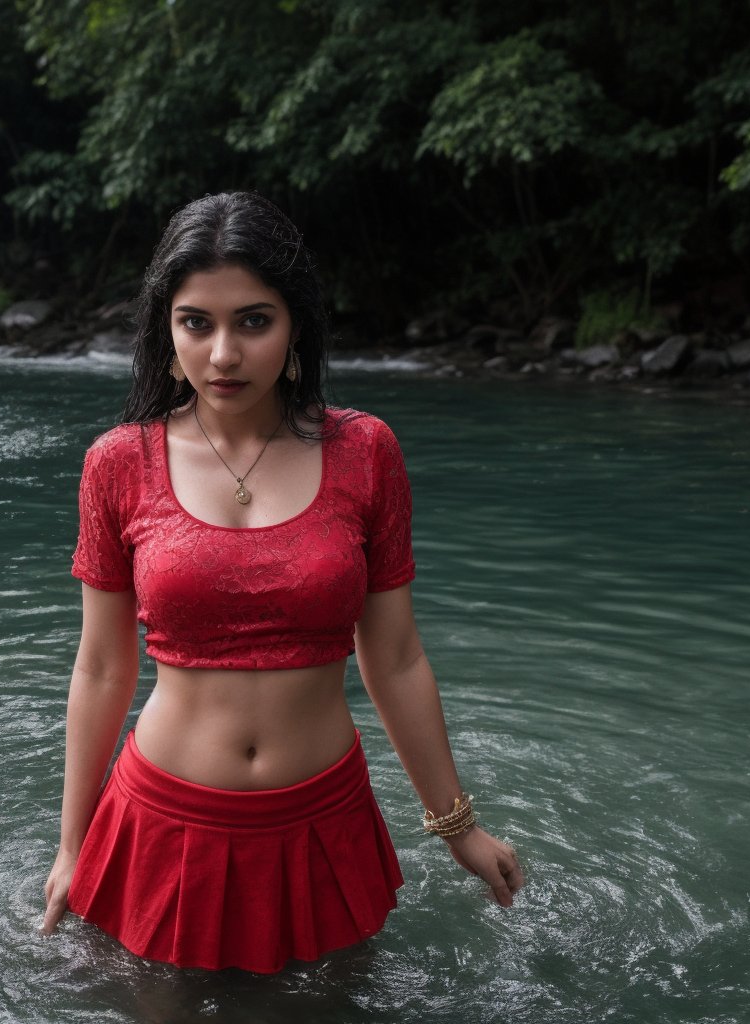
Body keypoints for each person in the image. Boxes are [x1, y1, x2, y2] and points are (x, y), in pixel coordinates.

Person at [39, 191, 524, 974]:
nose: (223, 354)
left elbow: (394, 657)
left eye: (253, 321)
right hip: (165, 819)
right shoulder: (118, 463)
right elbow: (101, 666)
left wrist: (457, 826)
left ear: (296, 325)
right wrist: (72, 848)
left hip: (323, 821)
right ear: (167, 328)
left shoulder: (366, 451)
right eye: (197, 322)